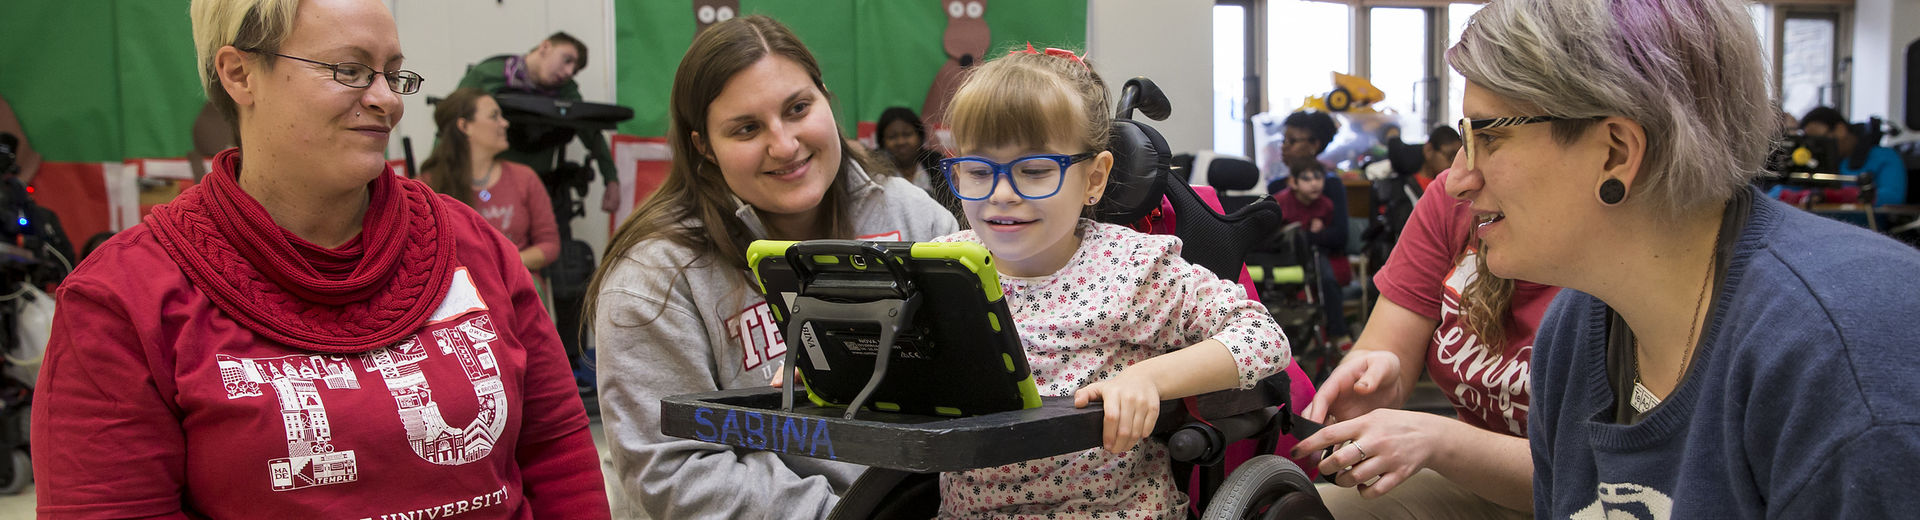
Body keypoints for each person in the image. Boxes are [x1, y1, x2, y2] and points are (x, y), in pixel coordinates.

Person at [31, 0, 611, 517]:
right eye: (349, 70)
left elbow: (557, 453)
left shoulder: (474, 247)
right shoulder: (123, 297)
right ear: (239, 74)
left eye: (391, 73)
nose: (387, 100)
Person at [1445, 1, 1920, 517]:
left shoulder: (1840, 357)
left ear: (1616, 152)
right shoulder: (1578, 328)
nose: (1457, 179)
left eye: (1489, 136)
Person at [587, 15, 958, 520]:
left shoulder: (911, 215)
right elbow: (672, 466)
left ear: (826, 98)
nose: (784, 145)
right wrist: (855, 515)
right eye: (746, 128)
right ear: (704, 148)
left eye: (798, 108)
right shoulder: (655, 276)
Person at [927, 46, 1290, 518]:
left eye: (1035, 171)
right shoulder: (941, 266)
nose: (1000, 194)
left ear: (1094, 178)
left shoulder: (1132, 267)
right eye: (976, 171)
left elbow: (1264, 340)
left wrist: (1148, 378)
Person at [1291, 168, 1554, 519]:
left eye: (1489, 137)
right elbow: (1382, 347)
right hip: (1480, 484)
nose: (1457, 177)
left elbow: (1593, 476)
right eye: (1465, 136)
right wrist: (1375, 378)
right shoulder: (1455, 204)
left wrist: (1440, 441)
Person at [457, 31, 621, 214]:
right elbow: (450, 124)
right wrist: (439, 178)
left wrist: (611, 179)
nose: (569, 72)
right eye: (567, 60)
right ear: (545, 47)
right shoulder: (487, 74)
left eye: (574, 70)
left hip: (538, 191)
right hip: (485, 190)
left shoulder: (566, 91)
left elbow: (589, 129)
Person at [421, 87, 560, 273]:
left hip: (517, 284)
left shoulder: (524, 177)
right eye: (494, 116)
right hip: (460, 291)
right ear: (465, 126)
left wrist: (503, 264)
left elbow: (550, 245)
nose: (505, 123)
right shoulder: (428, 186)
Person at [1274, 110, 1354, 345]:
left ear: (1314, 145)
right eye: (1283, 140)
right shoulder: (1277, 187)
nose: (1284, 147)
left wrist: (1302, 238)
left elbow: (1339, 236)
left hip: (1322, 262)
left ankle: (1338, 335)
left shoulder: (1330, 186)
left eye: (1291, 141)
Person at [1798, 106, 1907, 206]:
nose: (1817, 147)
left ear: (1840, 129)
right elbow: (1784, 192)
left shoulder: (1884, 157)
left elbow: (1892, 197)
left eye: (1820, 140)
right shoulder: (1819, 162)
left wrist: (1833, 196)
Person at [873, 105, 961, 216]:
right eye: (892, 137)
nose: (901, 142)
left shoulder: (935, 163)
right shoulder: (875, 171)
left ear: (920, 136)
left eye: (907, 134)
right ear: (882, 142)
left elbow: (952, 206)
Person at [1416, 125, 1461, 192]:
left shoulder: (1456, 187)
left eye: (1458, 157)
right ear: (1429, 150)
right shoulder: (1405, 189)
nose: (1454, 164)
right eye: (1450, 157)